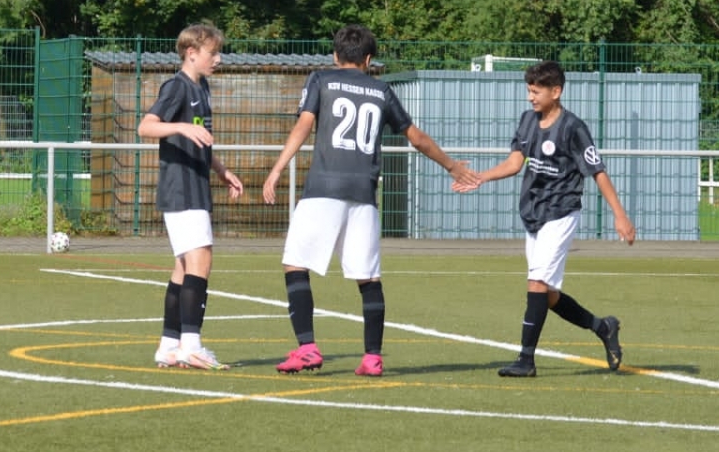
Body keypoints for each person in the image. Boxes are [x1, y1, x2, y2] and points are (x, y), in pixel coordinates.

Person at [261, 26, 475, 377]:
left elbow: (303, 126)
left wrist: (277, 169)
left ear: (335, 55)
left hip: (323, 189)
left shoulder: (321, 80)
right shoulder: (382, 90)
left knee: (295, 264)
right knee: (368, 277)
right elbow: (417, 138)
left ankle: (307, 348)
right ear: (369, 59)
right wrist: (452, 166)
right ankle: (372, 357)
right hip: (364, 194)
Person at [457, 60, 634, 378]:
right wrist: (480, 177)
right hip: (533, 214)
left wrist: (620, 216)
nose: (530, 97)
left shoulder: (574, 128)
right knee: (548, 295)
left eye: (536, 92)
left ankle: (526, 360)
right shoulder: (528, 121)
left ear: (556, 91)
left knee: (536, 283)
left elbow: (598, 172)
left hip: (561, 213)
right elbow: (514, 163)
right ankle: (603, 327)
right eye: (529, 91)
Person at [138, 23, 244, 370]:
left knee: (184, 266)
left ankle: (169, 346)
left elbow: (201, 141)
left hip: (195, 185)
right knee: (201, 261)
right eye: (213, 52)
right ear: (192, 53)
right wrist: (180, 126)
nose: (218, 59)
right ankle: (192, 346)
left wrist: (222, 171)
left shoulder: (203, 87)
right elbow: (146, 126)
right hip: (181, 188)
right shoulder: (177, 87)